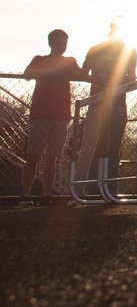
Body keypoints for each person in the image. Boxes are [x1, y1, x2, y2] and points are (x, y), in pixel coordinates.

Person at [74, 18, 137, 192]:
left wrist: (119, 80)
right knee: (90, 145)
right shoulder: (96, 49)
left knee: (113, 146)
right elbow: (83, 73)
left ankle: (109, 189)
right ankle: (82, 189)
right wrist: (98, 78)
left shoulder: (130, 50)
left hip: (118, 104)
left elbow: (132, 77)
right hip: (97, 102)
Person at [21, 29, 81, 198]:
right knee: (33, 156)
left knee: (52, 158)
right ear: (51, 43)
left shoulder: (69, 61)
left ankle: (46, 195)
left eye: (64, 43)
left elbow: (80, 74)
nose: (62, 46)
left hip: (61, 116)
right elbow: (27, 74)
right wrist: (51, 69)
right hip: (40, 114)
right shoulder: (39, 59)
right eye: (58, 42)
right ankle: (24, 196)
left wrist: (59, 67)